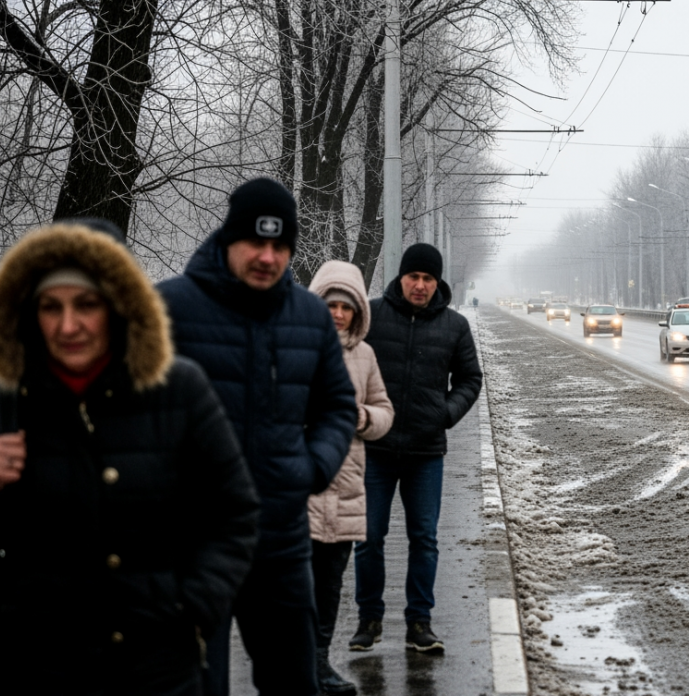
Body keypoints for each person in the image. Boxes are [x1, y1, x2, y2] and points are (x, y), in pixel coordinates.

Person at [0, 222, 259, 695]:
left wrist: (193, 608)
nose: (67, 326)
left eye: (87, 304)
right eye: (50, 307)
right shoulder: (5, 398)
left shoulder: (179, 389)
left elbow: (234, 512)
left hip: (158, 667)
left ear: (119, 305)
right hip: (37, 666)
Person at [158, 178, 358, 696]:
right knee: (196, 685)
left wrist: (312, 468)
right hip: (192, 540)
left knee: (294, 681)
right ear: (228, 239)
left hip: (281, 539)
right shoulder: (167, 309)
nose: (268, 257)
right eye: (256, 243)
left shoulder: (309, 316)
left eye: (280, 245)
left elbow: (337, 405)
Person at [351, 243, 482, 653]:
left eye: (428, 279)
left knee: (424, 538)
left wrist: (444, 414)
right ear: (401, 277)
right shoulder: (371, 317)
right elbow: (346, 363)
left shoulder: (455, 326)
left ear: (437, 282)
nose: (421, 285)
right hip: (375, 448)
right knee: (368, 536)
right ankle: (368, 619)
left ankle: (419, 623)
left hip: (426, 451)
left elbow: (470, 380)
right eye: (414, 277)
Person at [307, 260, 395, 696]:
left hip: (346, 489)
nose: (338, 313)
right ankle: (295, 665)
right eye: (330, 304)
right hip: (300, 487)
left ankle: (320, 663)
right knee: (293, 585)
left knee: (329, 584)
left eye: (346, 306)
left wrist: (360, 416)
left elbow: (384, 412)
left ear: (358, 310)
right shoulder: (293, 347)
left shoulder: (364, 356)